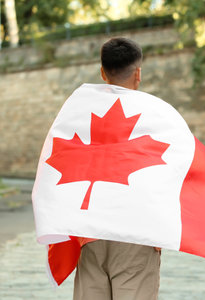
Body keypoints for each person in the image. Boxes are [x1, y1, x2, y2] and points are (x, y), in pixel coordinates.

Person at [72, 37, 161, 300]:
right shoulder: (156, 116)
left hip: (91, 232)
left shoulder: (78, 116)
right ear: (139, 73)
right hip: (137, 231)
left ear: (102, 72)